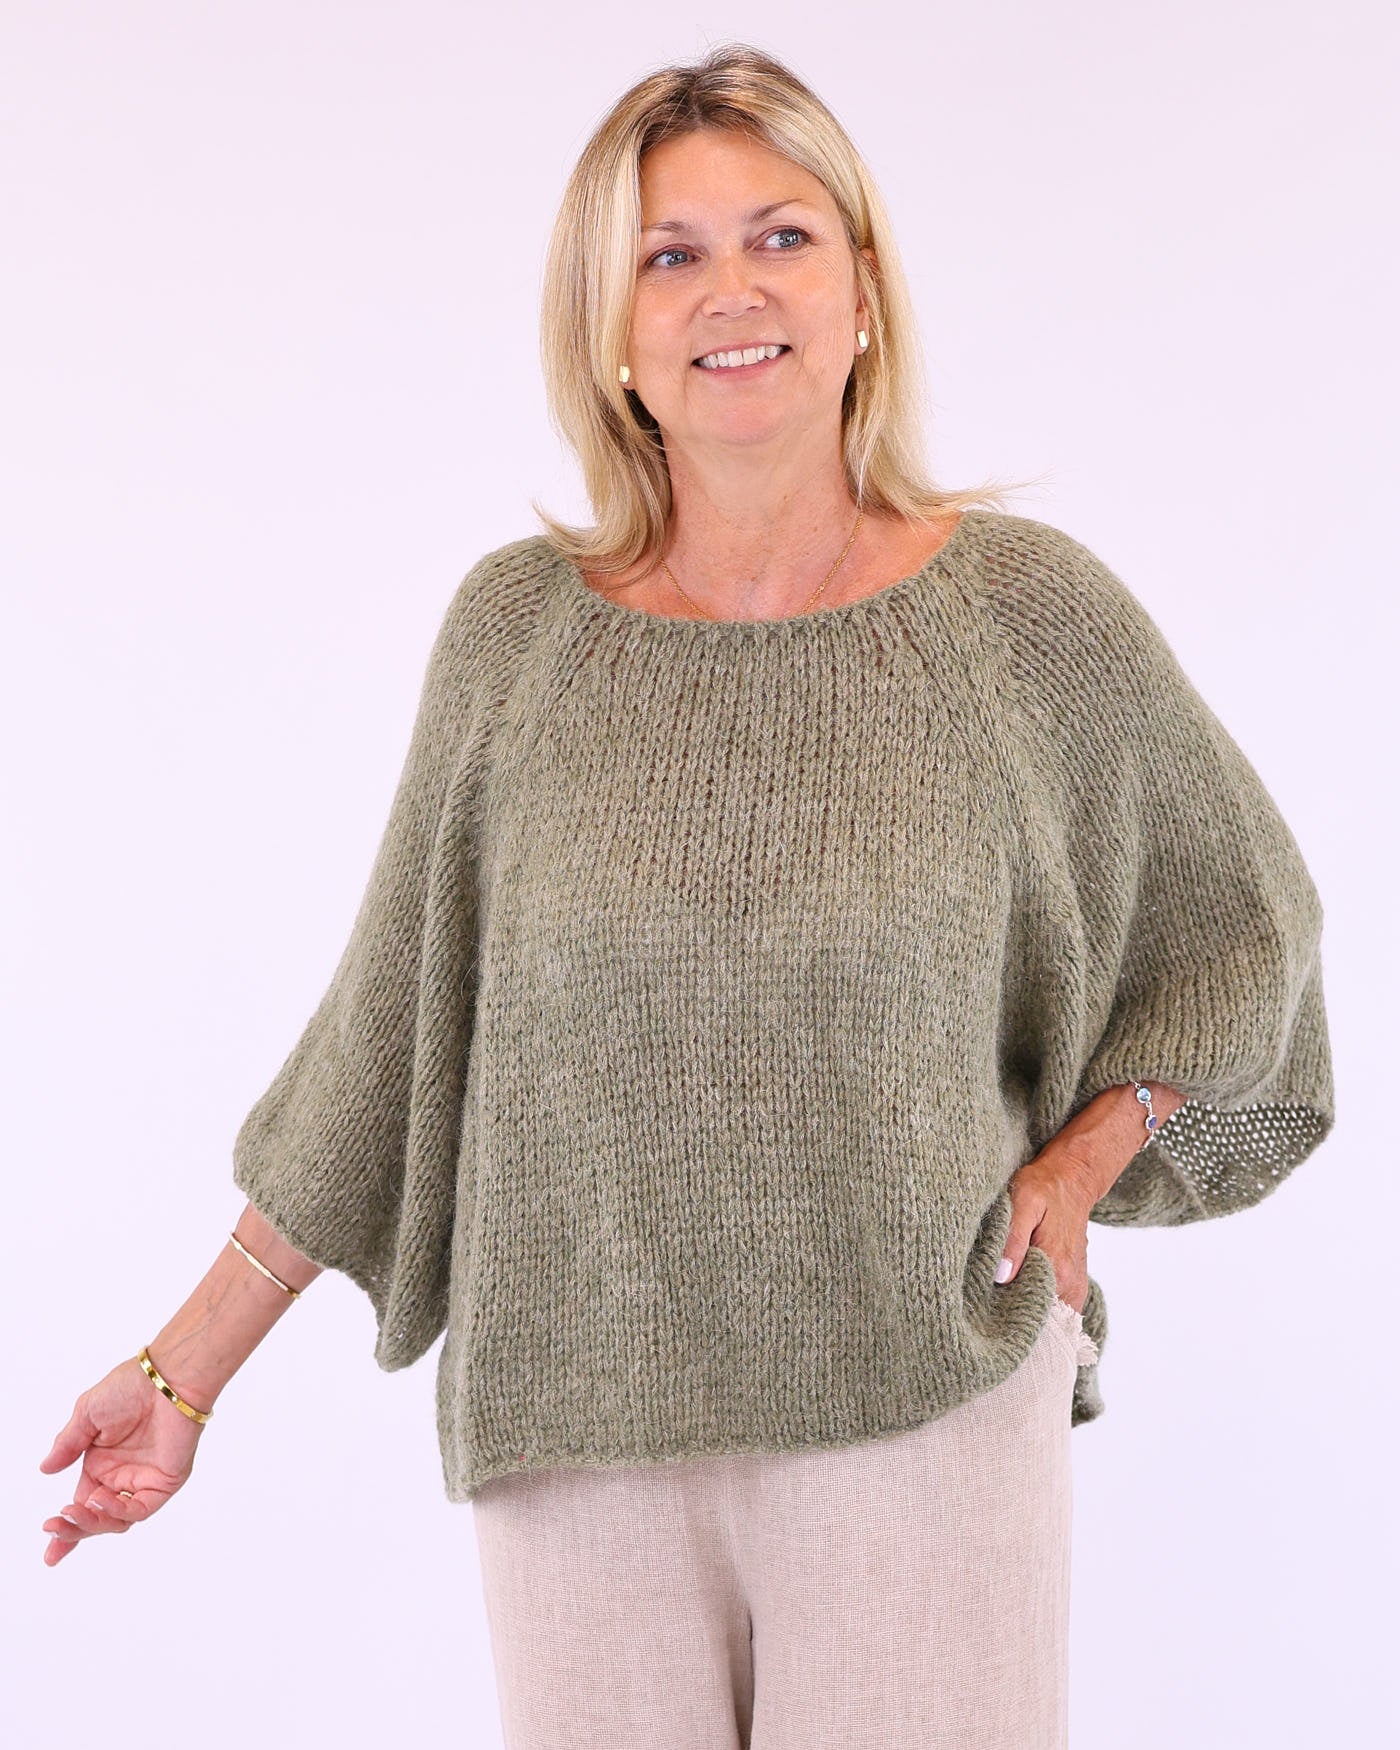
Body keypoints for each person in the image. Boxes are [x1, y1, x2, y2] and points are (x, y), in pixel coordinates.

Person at [39, 42, 1334, 1750]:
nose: (735, 289)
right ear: (614, 333)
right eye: (671, 254)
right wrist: (179, 1372)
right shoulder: (519, 638)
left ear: (863, 290)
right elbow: (391, 1040)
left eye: (782, 235)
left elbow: (1249, 936)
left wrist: (1090, 1153)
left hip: (922, 1410)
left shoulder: (1024, 620)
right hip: (577, 1443)